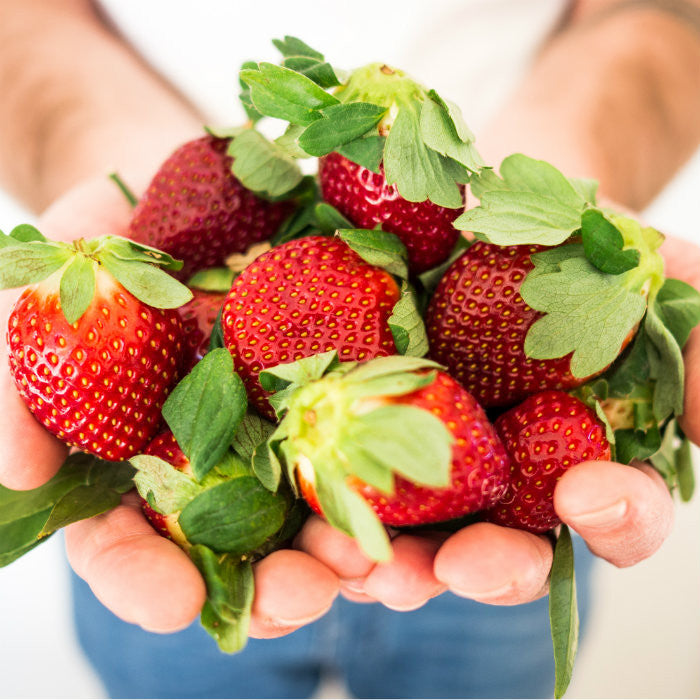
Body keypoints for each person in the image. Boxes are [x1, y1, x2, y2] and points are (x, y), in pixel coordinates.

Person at [0, 0, 699, 697]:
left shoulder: (338, 288)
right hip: (168, 512)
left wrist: (566, 190)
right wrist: (109, 169)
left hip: (499, 231)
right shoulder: (276, 289)